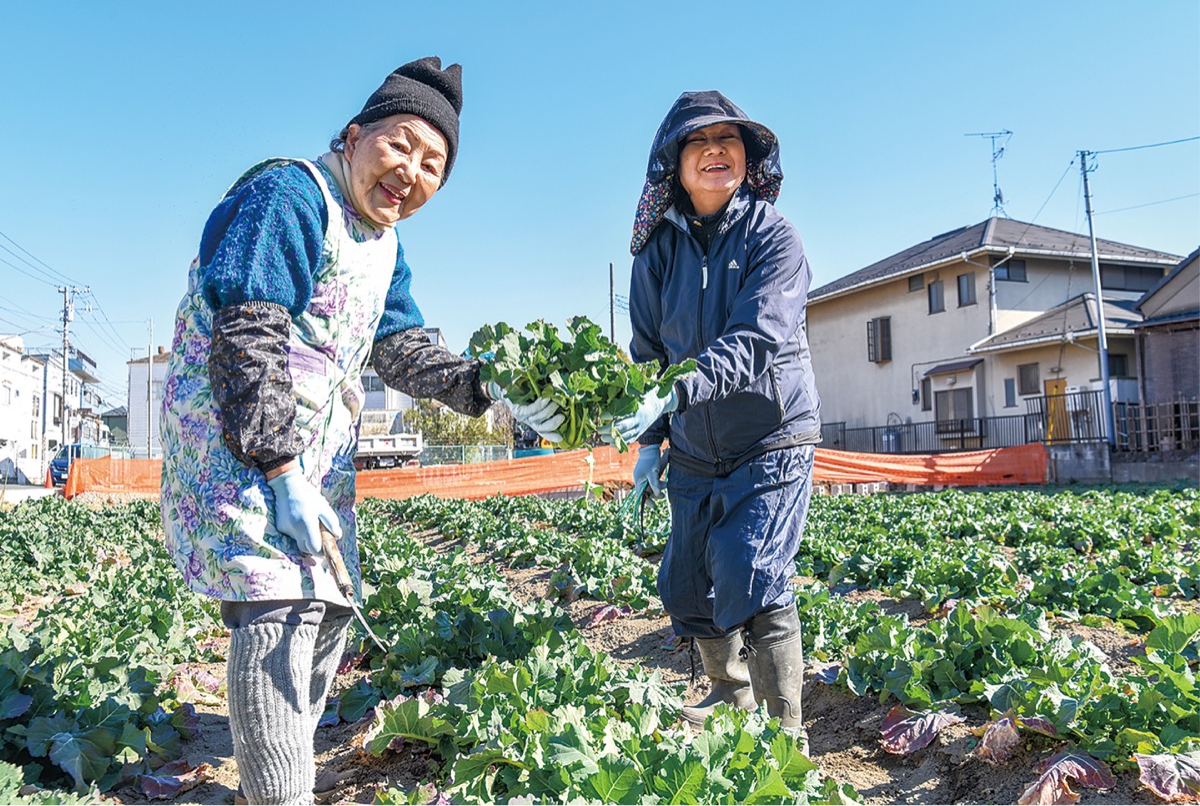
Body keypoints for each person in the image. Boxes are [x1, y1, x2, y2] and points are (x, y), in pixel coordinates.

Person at [158, 57, 563, 804]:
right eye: (400, 144)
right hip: (238, 440)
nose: (412, 170)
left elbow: (401, 345)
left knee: (335, 606)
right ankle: (278, 791)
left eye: (433, 163)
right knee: (278, 610)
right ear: (352, 136)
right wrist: (278, 472)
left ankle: (278, 751)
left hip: (313, 452)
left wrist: (489, 386)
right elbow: (246, 332)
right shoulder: (290, 196)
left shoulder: (384, 246)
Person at [606, 91, 821, 736]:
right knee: (689, 579)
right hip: (695, 446)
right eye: (700, 142)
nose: (716, 151)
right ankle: (730, 694)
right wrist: (650, 441)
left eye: (729, 140)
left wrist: (678, 391)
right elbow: (646, 352)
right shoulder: (657, 252)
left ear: (748, 159)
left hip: (769, 432)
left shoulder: (774, 237)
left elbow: (758, 337)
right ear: (674, 163)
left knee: (752, 569)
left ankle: (787, 737)